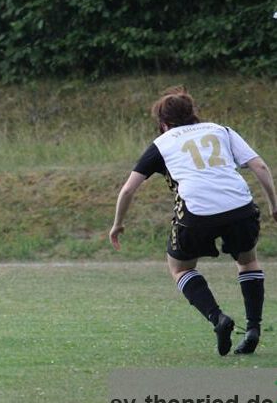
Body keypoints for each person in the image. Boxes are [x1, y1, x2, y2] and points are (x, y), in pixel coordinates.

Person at [109, 86, 277, 356]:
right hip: (239, 206)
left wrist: (117, 223)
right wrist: (273, 205)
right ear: (194, 115)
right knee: (247, 262)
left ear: (163, 123)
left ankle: (217, 318)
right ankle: (254, 328)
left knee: (180, 268)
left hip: (197, 212)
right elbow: (260, 166)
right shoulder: (221, 130)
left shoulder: (162, 143)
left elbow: (128, 189)